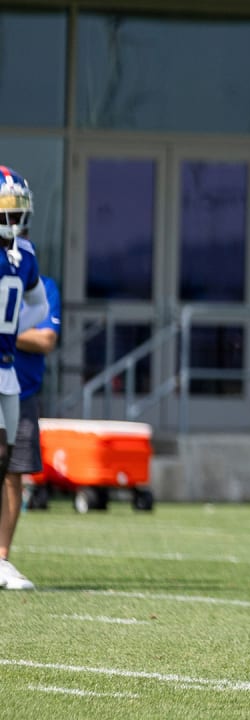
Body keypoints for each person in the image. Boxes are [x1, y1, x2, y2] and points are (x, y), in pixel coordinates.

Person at [0, 166, 49, 592]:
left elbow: (39, 320)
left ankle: (0, 560)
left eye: (18, 209)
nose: (14, 218)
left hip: (8, 372)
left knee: (9, 463)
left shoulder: (25, 257)